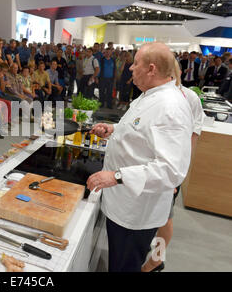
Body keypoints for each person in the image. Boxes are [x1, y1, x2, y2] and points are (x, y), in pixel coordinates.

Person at [87, 42, 193, 272]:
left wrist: (116, 176)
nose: (131, 68)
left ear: (152, 69)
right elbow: (139, 130)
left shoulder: (170, 107)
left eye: (136, 64)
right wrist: (113, 129)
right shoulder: (148, 96)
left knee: (124, 267)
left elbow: (170, 170)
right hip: (123, 204)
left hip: (136, 212)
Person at [141, 58, 206, 272]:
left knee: (164, 218)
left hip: (168, 169)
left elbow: (192, 137)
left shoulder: (190, 98)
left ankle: (156, 260)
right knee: (151, 213)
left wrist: (179, 174)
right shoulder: (151, 93)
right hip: (149, 164)